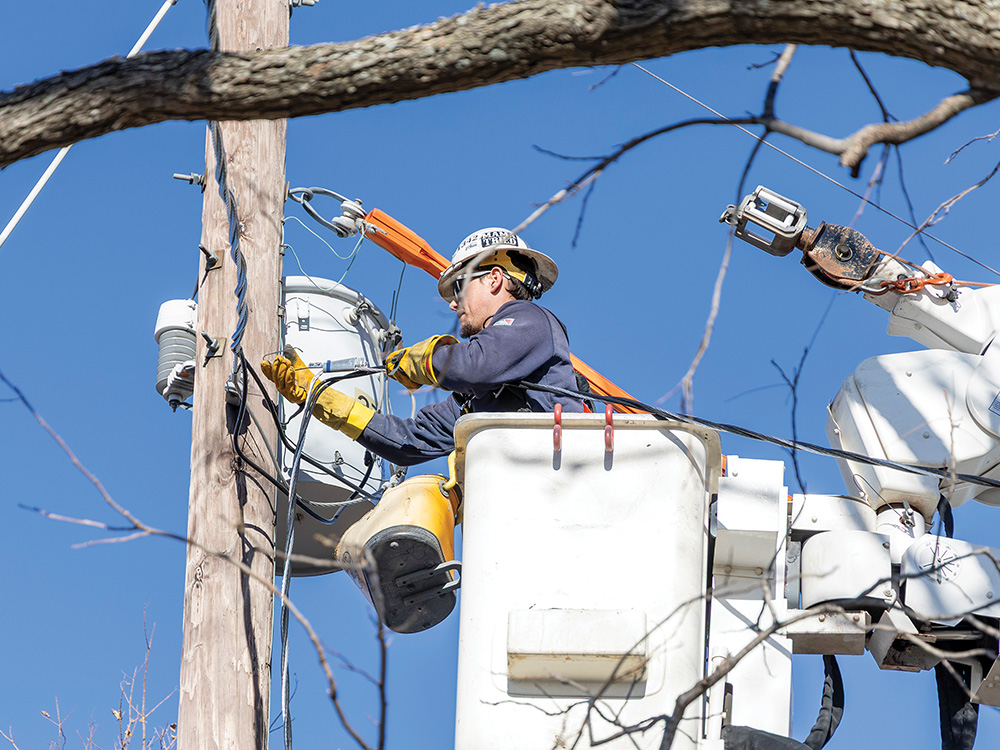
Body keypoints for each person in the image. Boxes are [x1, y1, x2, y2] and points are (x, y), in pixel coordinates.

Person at [261, 227, 583, 632]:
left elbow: (475, 363)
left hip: (564, 491)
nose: (453, 303)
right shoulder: (482, 399)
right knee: (417, 489)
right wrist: (321, 397)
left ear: (495, 279)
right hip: (523, 516)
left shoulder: (530, 321)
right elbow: (408, 441)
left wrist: (426, 359)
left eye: (460, 289)